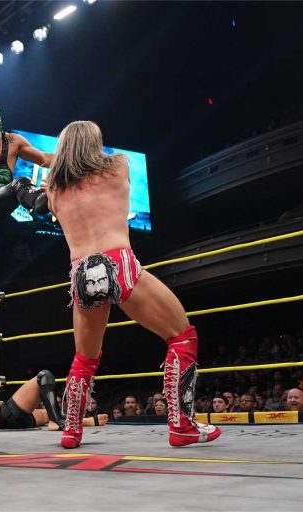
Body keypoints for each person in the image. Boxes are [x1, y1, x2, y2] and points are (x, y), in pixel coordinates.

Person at [44, 120, 220, 449]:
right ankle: (182, 425)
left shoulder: (54, 189)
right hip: (117, 262)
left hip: (80, 273)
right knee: (182, 336)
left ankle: (71, 431)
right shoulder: (118, 165)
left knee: (84, 358)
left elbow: (59, 177)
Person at [0, 370, 107, 431]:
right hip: (7, 412)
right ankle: (56, 422)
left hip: (16, 419)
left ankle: (81, 421)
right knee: (44, 376)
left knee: (51, 412)